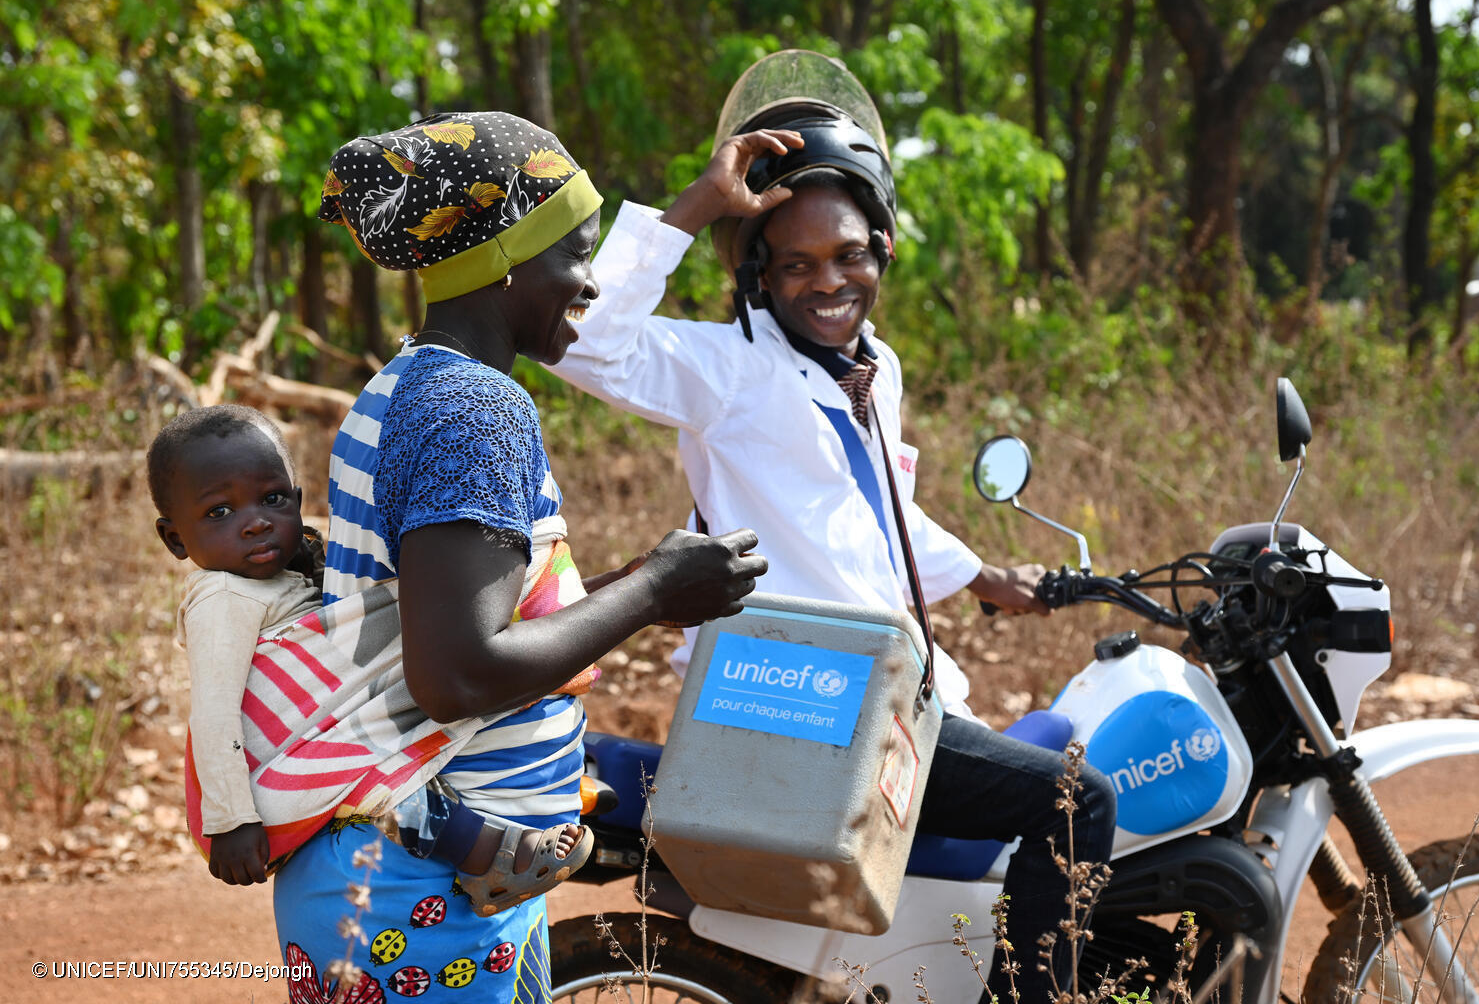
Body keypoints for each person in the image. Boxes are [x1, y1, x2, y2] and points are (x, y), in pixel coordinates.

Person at [543, 56, 1116, 1001]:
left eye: (848, 255)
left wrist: (981, 576)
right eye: (797, 264)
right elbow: (584, 340)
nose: (828, 282)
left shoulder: (872, 369)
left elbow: (872, 515)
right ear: (759, 275)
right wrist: (696, 205)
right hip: (814, 707)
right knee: (1075, 800)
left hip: (888, 694)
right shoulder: (726, 373)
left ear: (882, 247)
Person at [271, 110, 767, 1002]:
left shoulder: (410, 383)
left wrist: (650, 583)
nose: (588, 283)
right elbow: (458, 674)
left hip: (450, 877)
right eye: (575, 254)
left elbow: (465, 612)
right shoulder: (473, 410)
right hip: (424, 894)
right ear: (505, 261)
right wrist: (653, 591)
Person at [147, 404, 594, 909]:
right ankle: (491, 857)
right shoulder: (221, 597)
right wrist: (230, 819)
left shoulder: (296, 575)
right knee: (390, 792)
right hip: (271, 774)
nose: (254, 523)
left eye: (271, 500)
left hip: (316, 743)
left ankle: (547, 778)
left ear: (298, 501)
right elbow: (213, 712)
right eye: (219, 512)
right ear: (175, 538)